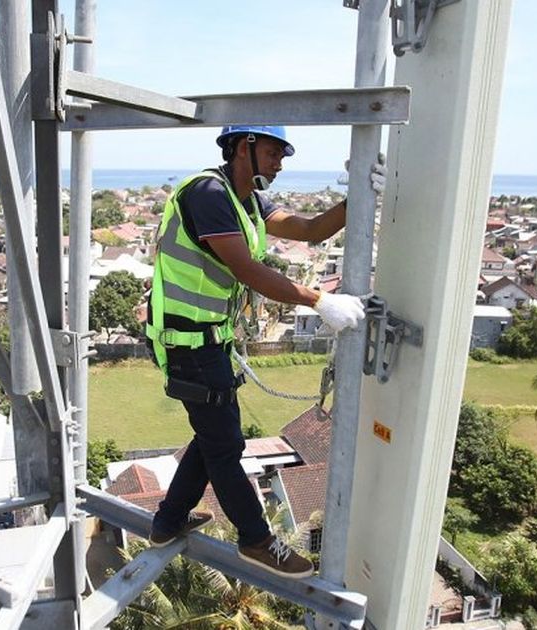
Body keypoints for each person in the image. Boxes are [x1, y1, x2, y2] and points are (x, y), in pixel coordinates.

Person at [145, 125, 374, 578]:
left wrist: (359, 197)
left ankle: (167, 522)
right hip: (188, 341)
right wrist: (318, 300)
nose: (280, 163)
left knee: (211, 437)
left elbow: (310, 230)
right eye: (273, 152)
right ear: (241, 147)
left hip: (207, 339)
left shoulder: (246, 200)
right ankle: (256, 539)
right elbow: (246, 269)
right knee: (226, 445)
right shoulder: (209, 193)